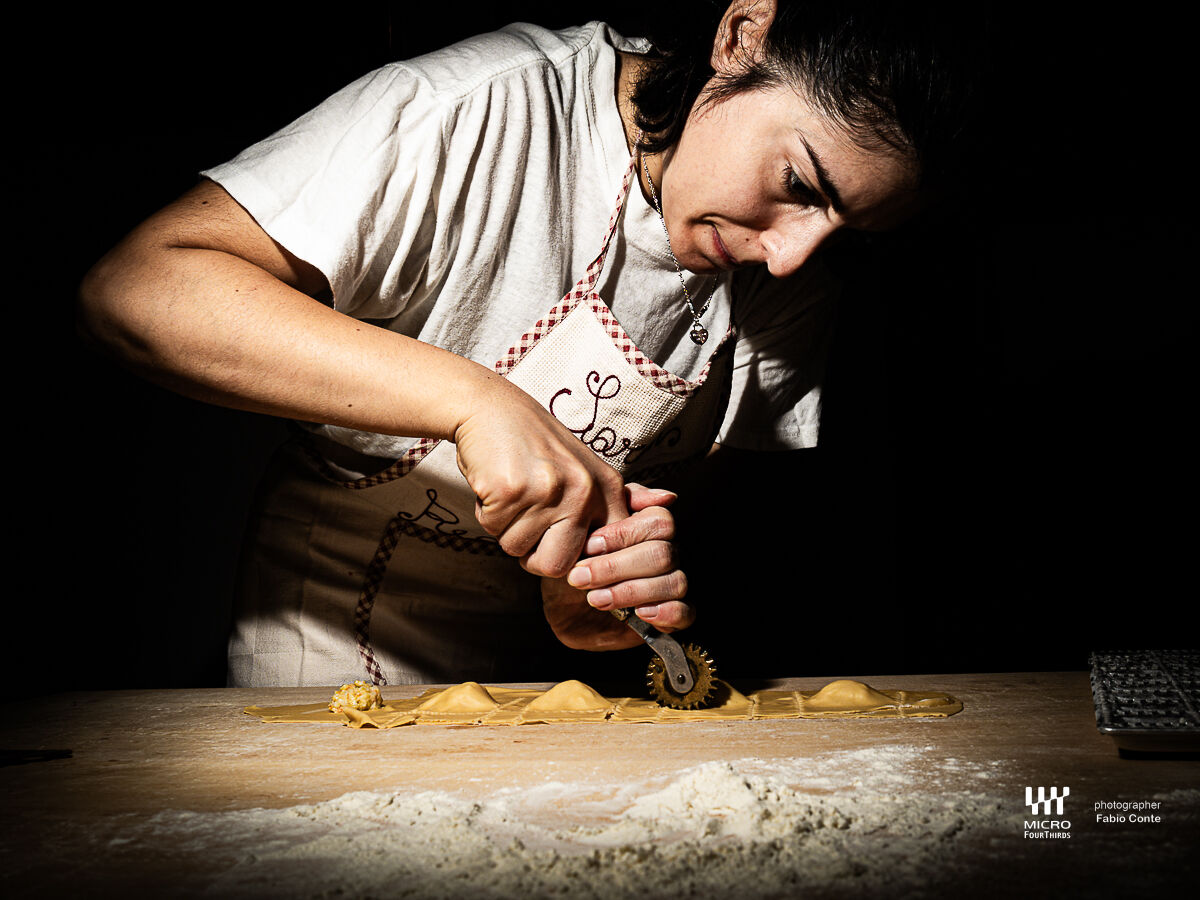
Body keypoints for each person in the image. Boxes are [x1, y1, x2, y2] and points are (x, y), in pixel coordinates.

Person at [77, 1, 979, 687]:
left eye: (844, 229)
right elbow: (139, 289)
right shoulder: (481, 111)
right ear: (743, 34)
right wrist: (474, 400)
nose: (790, 257)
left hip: (551, 684)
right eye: (797, 181)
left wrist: (598, 595)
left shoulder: (791, 281)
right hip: (334, 643)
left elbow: (692, 528)